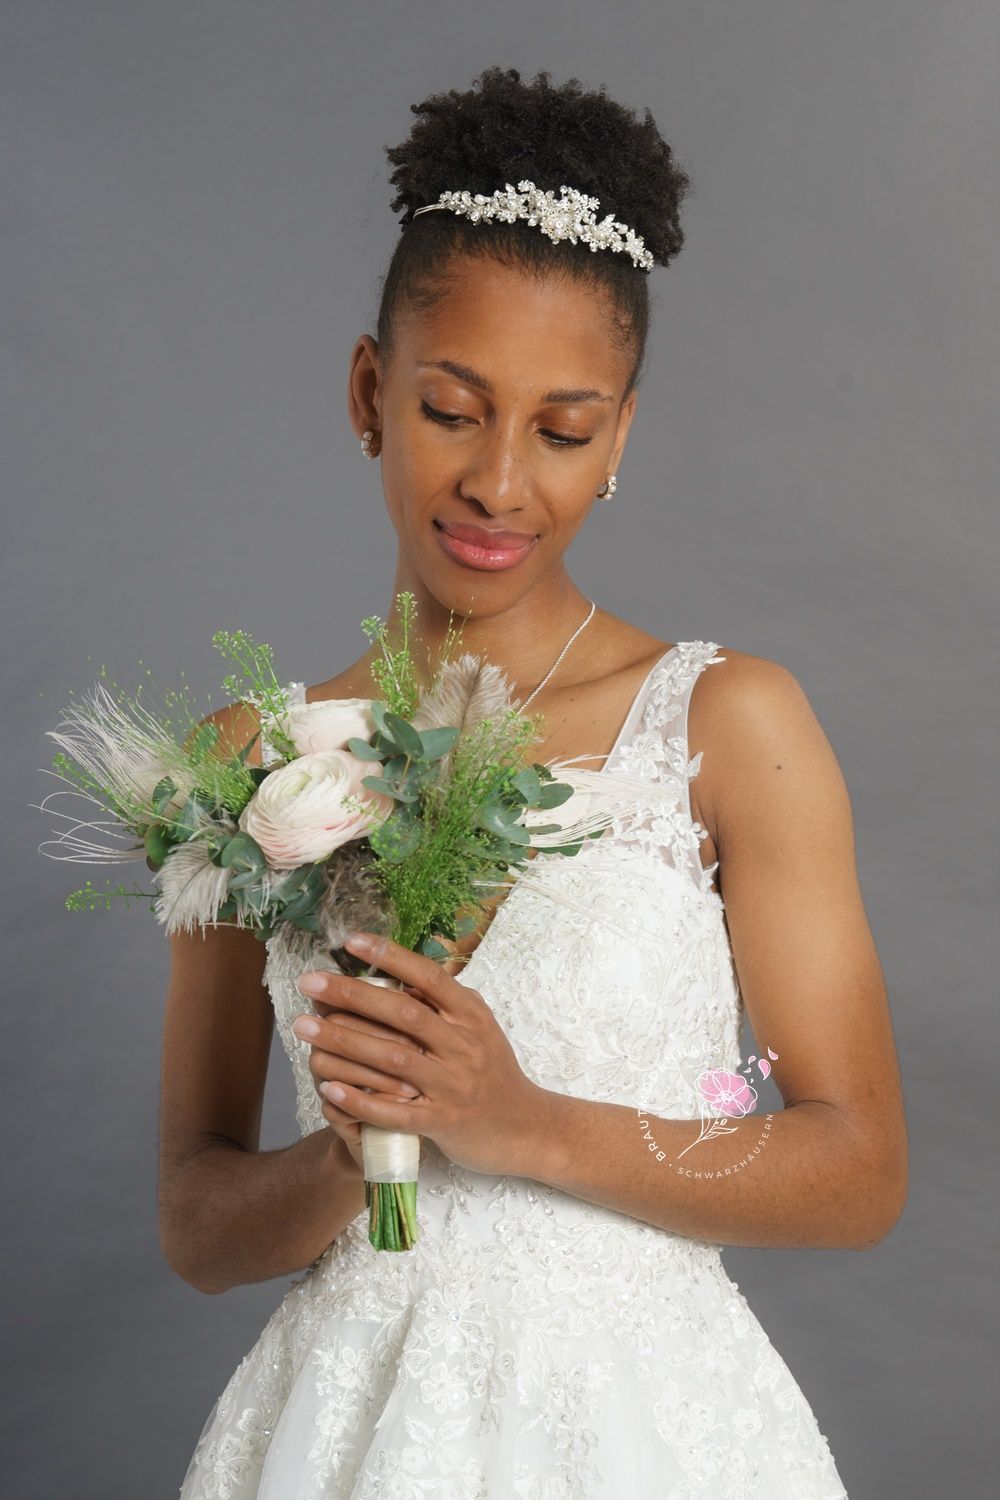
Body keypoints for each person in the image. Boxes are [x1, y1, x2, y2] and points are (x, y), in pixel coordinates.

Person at [165, 65, 907, 1498]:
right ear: (372, 393)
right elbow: (198, 1226)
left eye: (564, 431)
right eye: (454, 408)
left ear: (619, 438)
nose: (502, 481)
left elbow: (861, 1170)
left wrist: (519, 1123)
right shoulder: (248, 761)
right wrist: (349, 1160)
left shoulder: (729, 722)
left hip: (653, 1435)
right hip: (351, 1433)